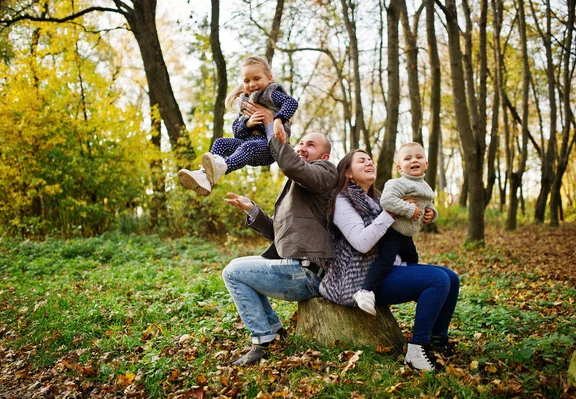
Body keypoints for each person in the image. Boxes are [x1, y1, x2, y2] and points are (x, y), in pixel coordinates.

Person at [319, 149, 459, 371]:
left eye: (370, 160)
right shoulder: (342, 201)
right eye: (361, 161)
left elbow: (401, 230)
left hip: (385, 269)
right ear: (348, 173)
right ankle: (416, 352)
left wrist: (426, 212)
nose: (369, 163)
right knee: (437, 279)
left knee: (451, 278)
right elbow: (362, 243)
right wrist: (393, 212)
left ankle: (436, 341)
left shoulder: (377, 198)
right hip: (359, 280)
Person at [222, 110, 337, 366]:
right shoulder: (299, 185)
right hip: (297, 268)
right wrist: (252, 210)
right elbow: (281, 234)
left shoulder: (326, 172)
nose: (302, 147)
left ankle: (263, 340)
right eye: (301, 143)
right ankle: (273, 332)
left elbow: (289, 164)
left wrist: (271, 129)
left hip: (310, 271)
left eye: (311, 144)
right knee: (242, 271)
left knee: (233, 271)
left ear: (325, 156)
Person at [178, 55, 298, 196]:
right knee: (220, 143)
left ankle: (223, 166)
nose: (251, 84)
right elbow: (237, 133)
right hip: (246, 148)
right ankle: (205, 177)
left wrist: (278, 120)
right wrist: (247, 124)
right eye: (246, 81)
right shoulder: (245, 101)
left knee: (248, 147)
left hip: (268, 148)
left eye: (256, 78)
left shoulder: (271, 93)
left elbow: (291, 103)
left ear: (269, 78)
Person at [353, 142, 437, 316]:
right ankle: (366, 292)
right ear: (399, 167)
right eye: (408, 158)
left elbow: (429, 204)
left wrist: (431, 213)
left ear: (426, 164)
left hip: (407, 235)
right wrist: (409, 209)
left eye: (419, 157)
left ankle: (412, 286)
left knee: (413, 259)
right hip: (392, 231)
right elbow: (387, 201)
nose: (414, 160)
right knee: (385, 261)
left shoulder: (426, 187)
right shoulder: (397, 183)